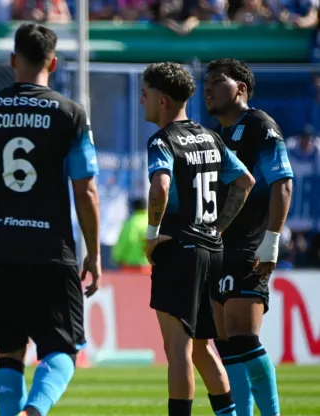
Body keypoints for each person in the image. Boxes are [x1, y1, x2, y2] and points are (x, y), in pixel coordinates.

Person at [0, 23, 102, 416]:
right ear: (53, 61)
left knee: (10, 352)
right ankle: (32, 412)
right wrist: (94, 254)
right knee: (62, 349)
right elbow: (86, 191)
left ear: (13, 60)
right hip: (52, 251)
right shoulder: (71, 114)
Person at [141, 62, 256, 416]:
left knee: (178, 350)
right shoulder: (210, 136)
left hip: (179, 251)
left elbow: (160, 188)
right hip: (210, 250)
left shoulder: (163, 140)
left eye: (144, 95)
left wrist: (151, 234)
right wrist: (217, 228)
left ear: (161, 100)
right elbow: (245, 181)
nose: (141, 101)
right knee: (202, 347)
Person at [204, 58, 294, 416]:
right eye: (205, 82)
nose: (207, 88)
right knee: (225, 344)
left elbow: (283, 183)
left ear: (240, 88)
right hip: (218, 249)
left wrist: (271, 240)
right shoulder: (215, 136)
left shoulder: (259, 125)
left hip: (248, 247)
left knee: (243, 337)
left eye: (216, 81)